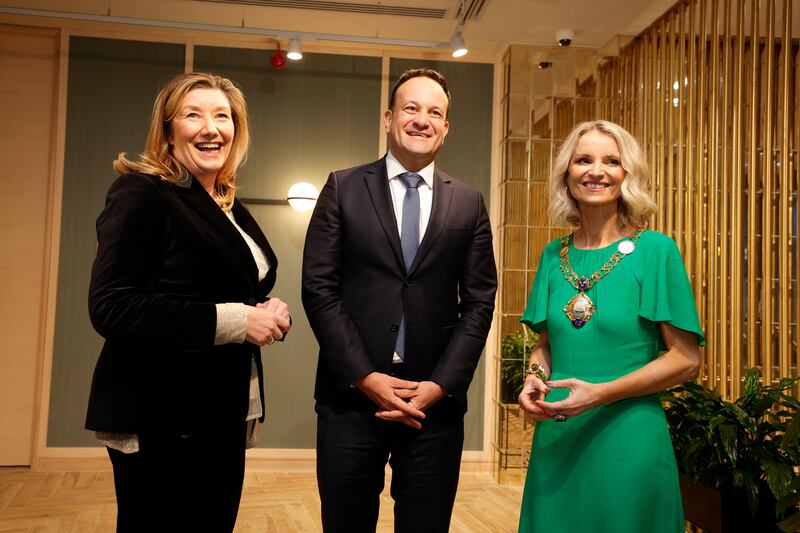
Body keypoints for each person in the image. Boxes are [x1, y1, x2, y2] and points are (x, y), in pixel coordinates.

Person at [85, 72, 291, 533]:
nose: (210, 127)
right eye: (193, 114)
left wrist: (268, 308)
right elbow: (112, 307)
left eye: (223, 116)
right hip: (163, 416)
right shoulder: (142, 193)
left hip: (221, 412)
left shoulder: (229, 204)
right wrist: (240, 321)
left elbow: (226, 287)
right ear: (167, 129)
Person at [301, 68, 497, 532]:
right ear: (389, 118)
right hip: (350, 400)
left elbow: (479, 302)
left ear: (446, 127)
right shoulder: (343, 188)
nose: (422, 119)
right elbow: (319, 289)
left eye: (435, 112)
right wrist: (365, 376)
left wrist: (441, 384)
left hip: (434, 407)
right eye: (411, 108)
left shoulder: (468, 203)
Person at [517, 120, 704, 532]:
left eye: (611, 161)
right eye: (583, 160)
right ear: (567, 173)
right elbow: (546, 346)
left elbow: (686, 360)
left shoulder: (655, 251)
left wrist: (598, 395)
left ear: (627, 174)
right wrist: (534, 378)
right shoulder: (553, 255)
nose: (596, 171)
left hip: (630, 442)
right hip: (559, 437)